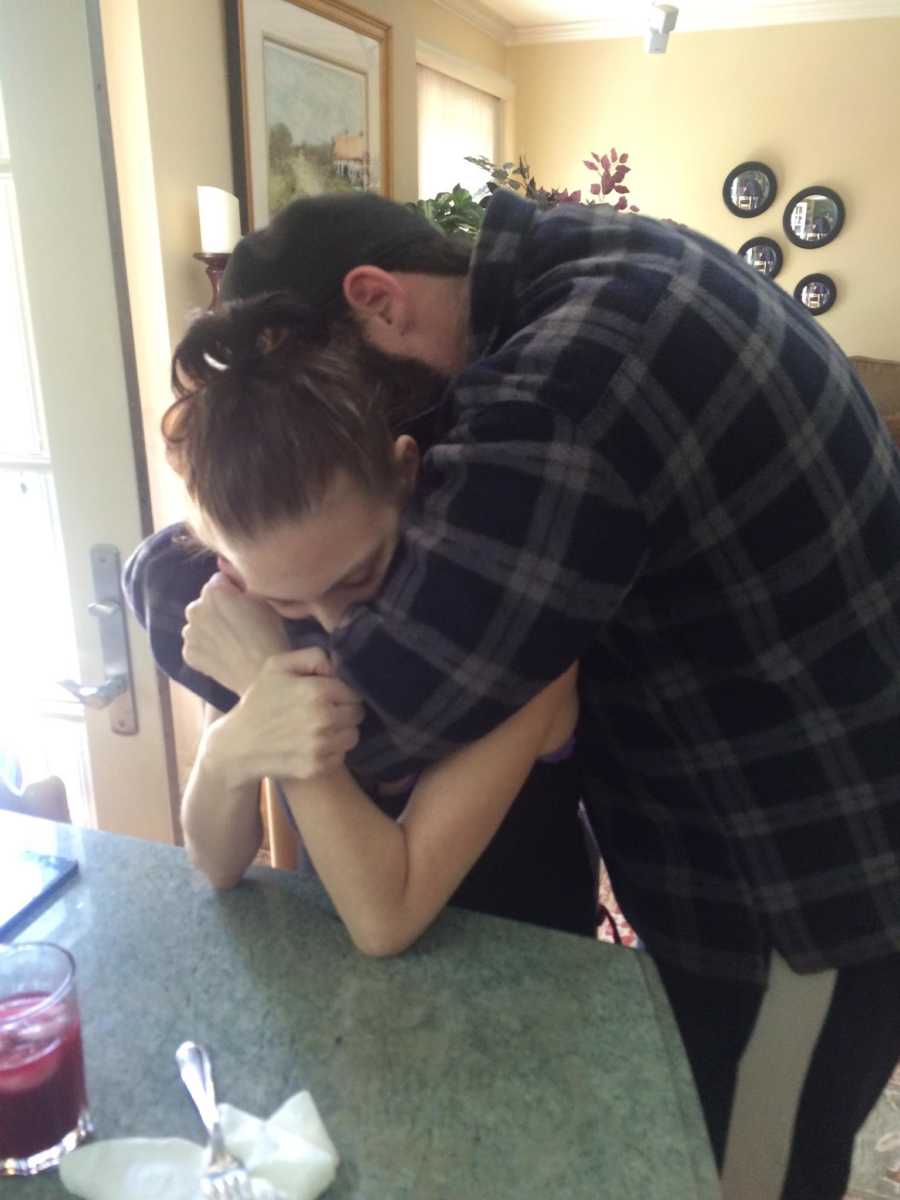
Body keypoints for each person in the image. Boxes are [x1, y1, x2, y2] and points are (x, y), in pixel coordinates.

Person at [125, 189, 900, 1199]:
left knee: (740, 1174)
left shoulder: (564, 388)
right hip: (731, 853)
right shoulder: (591, 266)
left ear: (378, 300)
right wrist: (219, 655)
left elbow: (366, 720)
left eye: (351, 391)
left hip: (810, 889)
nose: (350, 423)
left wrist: (254, 669)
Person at [159, 292, 600, 949]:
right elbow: (216, 862)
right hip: (353, 1007)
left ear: (404, 473)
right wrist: (232, 744)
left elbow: (385, 918)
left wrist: (269, 696)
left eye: (358, 575)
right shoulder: (254, 616)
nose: (333, 622)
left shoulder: (506, 624)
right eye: (286, 600)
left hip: (530, 989)